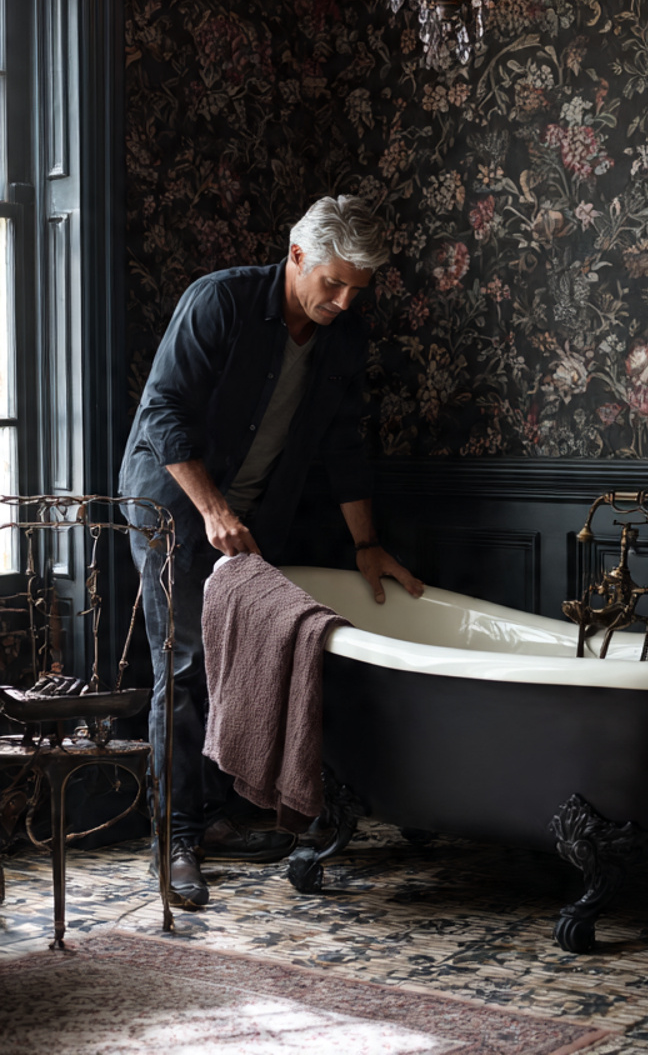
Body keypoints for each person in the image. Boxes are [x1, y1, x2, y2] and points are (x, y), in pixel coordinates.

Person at [120, 195, 423, 907]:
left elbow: (344, 445)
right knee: (189, 664)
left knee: (244, 658)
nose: (346, 301)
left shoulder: (343, 337)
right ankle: (176, 839)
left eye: (359, 288)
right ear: (296, 256)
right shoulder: (218, 303)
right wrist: (213, 510)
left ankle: (221, 817)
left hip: (258, 514)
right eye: (334, 283)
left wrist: (368, 546)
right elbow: (162, 413)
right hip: (175, 505)